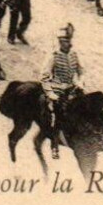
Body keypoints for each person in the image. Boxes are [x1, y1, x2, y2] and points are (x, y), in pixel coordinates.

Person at [41, 24, 84, 159]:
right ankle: (54, 146)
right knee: (58, 118)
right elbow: (44, 77)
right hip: (58, 90)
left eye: (69, 41)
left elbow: (81, 71)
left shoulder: (74, 55)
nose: (67, 44)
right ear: (60, 42)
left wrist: (80, 83)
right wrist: (51, 94)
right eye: (65, 41)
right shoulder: (53, 56)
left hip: (72, 88)